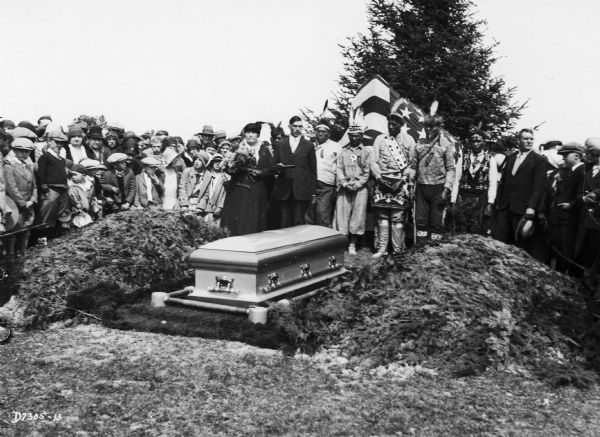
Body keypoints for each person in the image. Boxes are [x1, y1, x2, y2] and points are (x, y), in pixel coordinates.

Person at [493, 128, 547, 255]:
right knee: (499, 242)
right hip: (505, 207)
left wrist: (531, 207)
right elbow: (504, 183)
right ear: (519, 140)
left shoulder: (539, 160)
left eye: (531, 139)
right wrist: (498, 202)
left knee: (519, 246)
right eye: (525, 138)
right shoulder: (511, 158)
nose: (529, 141)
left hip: (522, 209)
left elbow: (539, 187)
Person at [370, 113, 416, 257]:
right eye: (389, 124)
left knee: (398, 218)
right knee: (382, 217)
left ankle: (397, 249)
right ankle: (382, 248)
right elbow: (373, 161)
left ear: (401, 126)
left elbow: (412, 164)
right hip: (382, 180)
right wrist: (378, 178)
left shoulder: (409, 140)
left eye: (394, 125)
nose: (390, 127)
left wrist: (403, 180)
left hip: (400, 181)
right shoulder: (380, 139)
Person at [221, 122, 274, 236]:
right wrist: (235, 168)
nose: (250, 135)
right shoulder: (236, 147)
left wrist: (261, 172)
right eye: (248, 132)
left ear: (258, 135)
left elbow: (271, 169)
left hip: (257, 189)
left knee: (254, 220)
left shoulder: (264, 150)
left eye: (253, 132)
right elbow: (225, 165)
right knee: (238, 219)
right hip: (239, 189)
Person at [413, 115, 456, 243]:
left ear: (439, 127)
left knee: (436, 222)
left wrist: (446, 190)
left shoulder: (446, 145)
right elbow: (412, 166)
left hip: (438, 189)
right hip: (421, 188)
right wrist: (410, 185)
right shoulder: (419, 144)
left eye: (431, 126)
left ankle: (434, 255)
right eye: (426, 126)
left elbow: (451, 169)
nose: (428, 129)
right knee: (420, 221)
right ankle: (420, 251)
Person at [272, 115, 317, 228]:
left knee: (299, 222)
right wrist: (278, 167)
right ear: (289, 127)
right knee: (284, 221)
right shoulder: (280, 145)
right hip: (284, 189)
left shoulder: (309, 145)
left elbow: (312, 170)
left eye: (300, 127)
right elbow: (273, 166)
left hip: (301, 189)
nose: (297, 129)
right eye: (295, 126)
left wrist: (312, 192)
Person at [333, 123, 371, 255]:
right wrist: (344, 183)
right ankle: (343, 241)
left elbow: (367, 172)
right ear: (349, 136)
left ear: (361, 136)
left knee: (358, 215)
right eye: (352, 136)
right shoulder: (343, 152)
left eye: (357, 136)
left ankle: (353, 243)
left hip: (359, 188)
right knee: (342, 214)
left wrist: (357, 185)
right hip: (345, 187)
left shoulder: (366, 152)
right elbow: (339, 168)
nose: (354, 138)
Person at [547, 142, 585, 273]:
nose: (562, 158)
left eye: (565, 155)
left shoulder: (582, 171)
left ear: (576, 156)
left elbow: (582, 194)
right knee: (560, 251)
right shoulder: (571, 172)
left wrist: (571, 205)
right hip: (561, 218)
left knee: (565, 252)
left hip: (569, 219)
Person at [450, 129, 491, 235]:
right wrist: (453, 200)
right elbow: (456, 180)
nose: (476, 144)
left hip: (480, 199)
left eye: (479, 141)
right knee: (460, 230)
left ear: (484, 142)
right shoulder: (463, 158)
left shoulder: (490, 160)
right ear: (470, 143)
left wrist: (490, 203)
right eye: (473, 141)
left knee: (476, 231)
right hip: (463, 198)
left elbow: (492, 184)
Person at [4, 138, 37, 258]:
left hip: (29, 201)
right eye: (21, 151)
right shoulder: (9, 166)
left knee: (27, 227)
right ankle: (11, 254)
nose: (24, 154)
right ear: (14, 151)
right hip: (15, 203)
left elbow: (34, 185)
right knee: (13, 229)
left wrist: (33, 199)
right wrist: (23, 203)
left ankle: (24, 251)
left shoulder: (29, 165)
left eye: (27, 151)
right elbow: (11, 188)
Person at [305, 124, 341, 228]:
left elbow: (340, 165)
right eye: (318, 131)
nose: (321, 133)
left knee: (322, 213)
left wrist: (338, 184)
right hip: (310, 183)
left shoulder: (336, 146)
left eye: (324, 132)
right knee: (309, 213)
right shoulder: (309, 145)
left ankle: (322, 239)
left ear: (328, 134)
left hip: (326, 185)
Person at [37, 130, 71, 233]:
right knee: (46, 214)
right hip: (51, 189)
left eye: (61, 143)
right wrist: (45, 190)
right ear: (49, 141)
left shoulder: (62, 159)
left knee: (61, 214)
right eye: (57, 142)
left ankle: (55, 239)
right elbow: (41, 174)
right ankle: (41, 241)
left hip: (63, 190)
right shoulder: (45, 157)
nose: (59, 145)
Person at [574, 138, 600, 272]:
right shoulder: (586, 169)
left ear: (596, 154)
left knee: (593, 251)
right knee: (580, 248)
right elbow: (579, 189)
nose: (585, 156)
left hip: (596, 217)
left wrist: (595, 194)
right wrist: (581, 198)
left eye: (588, 153)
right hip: (583, 215)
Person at [204, 153, 230, 226]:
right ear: (212, 163)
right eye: (215, 161)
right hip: (206, 208)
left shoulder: (227, 178)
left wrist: (220, 207)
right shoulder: (207, 175)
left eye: (219, 162)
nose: (217, 163)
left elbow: (226, 194)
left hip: (217, 210)